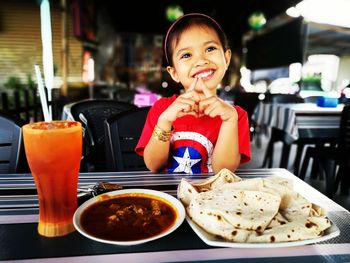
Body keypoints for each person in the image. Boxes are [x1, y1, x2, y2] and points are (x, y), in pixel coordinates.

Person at [135, 13, 251, 174]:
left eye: (210, 49)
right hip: (169, 196)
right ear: (174, 72)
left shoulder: (236, 116)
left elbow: (223, 171)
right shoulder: (162, 109)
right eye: (186, 55)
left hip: (212, 197)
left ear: (226, 58)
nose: (201, 60)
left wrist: (229, 120)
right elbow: (153, 165)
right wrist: (165, 121)